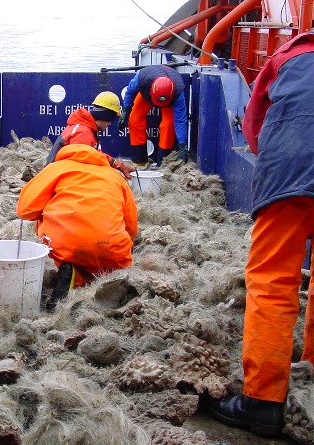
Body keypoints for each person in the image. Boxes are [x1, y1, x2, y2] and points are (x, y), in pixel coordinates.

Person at [208, 31, 314, 438]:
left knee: (272, 282)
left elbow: (253, 122)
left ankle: (262, 402)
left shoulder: (290, 55)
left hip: (290, 173)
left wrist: (271, 158)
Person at [16, 144, 138, 311]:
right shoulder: (114, 176)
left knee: (43, 218)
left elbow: (25, 211)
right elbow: (131, 227)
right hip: (112, 248)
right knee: (112, 268)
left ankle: (75, 274)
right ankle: (92, 277)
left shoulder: (56, 168)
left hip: (67, 245)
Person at [45, 91, 136, 179]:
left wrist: (118, 164)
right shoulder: (83, 134)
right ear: (105, 116)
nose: (110, 124)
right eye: (111, 120)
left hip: (60, 172)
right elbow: (79, 166)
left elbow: (94, 154)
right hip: (59, 176)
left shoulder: (86, 129)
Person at [118, 64, 189, 167]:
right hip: (147, 95)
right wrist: (125, 112)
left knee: (169, 125)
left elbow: (180, 120)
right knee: (134, 120)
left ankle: (163, 162)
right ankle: (139, 161)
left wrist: (183, 147)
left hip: (168, 99)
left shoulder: (178, 93)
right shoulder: (141, 79)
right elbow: (129, 93)